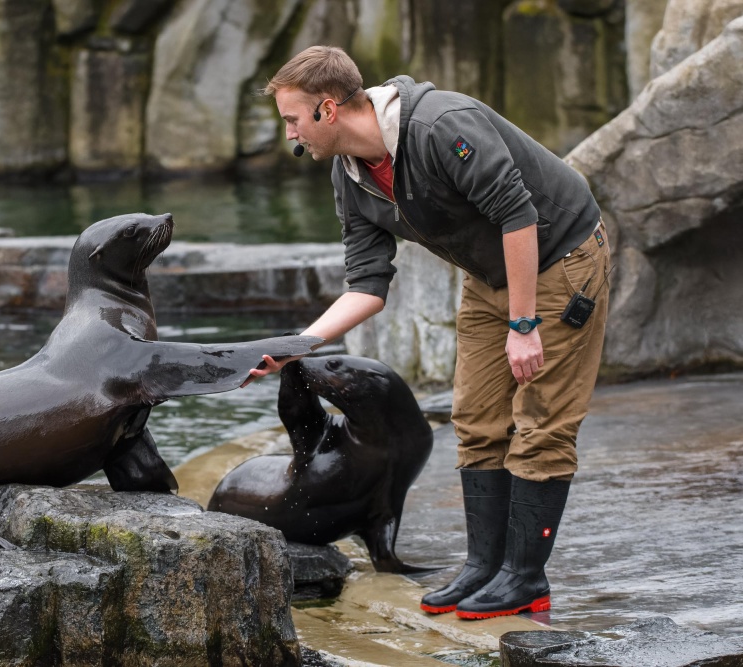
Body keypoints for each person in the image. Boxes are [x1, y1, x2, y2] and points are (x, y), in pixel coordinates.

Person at [247, 45, 610, 620]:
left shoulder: (441, 125)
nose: (292, 136)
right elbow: (367, 283)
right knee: (476, 418)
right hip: (490, 273)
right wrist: (293, 349)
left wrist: (523, 324)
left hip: (558, 258)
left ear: (327, 110)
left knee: (541, 423)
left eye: (293, 119)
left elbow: (519, 216)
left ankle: (524, 578)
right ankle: (482, 568)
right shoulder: (351, 174)